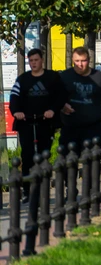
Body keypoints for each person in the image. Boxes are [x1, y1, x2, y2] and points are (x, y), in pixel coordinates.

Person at [9, 48, 65, 187]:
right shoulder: (23, 79)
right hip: (26, 122)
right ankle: (28, 189)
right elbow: (14, 97)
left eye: (36, 60)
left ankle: (44, 185)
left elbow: (61, 96)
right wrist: (16, 112)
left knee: (44, 154)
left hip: (46, 122)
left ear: (42, 60)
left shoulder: (52, 77)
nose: (33, 63)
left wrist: (52, 110)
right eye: (31, 61)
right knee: (27, 156)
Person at [61, 47, 101, 153]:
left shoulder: (100, 77)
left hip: (93, 128)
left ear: (89, 60)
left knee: (92, 164)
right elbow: (54, 97)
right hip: (70, 128)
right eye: (77, 61)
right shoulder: (64, 76)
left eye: (83, 60)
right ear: (72, 60)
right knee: (68, 163)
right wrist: (62, 106)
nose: (80, 64)